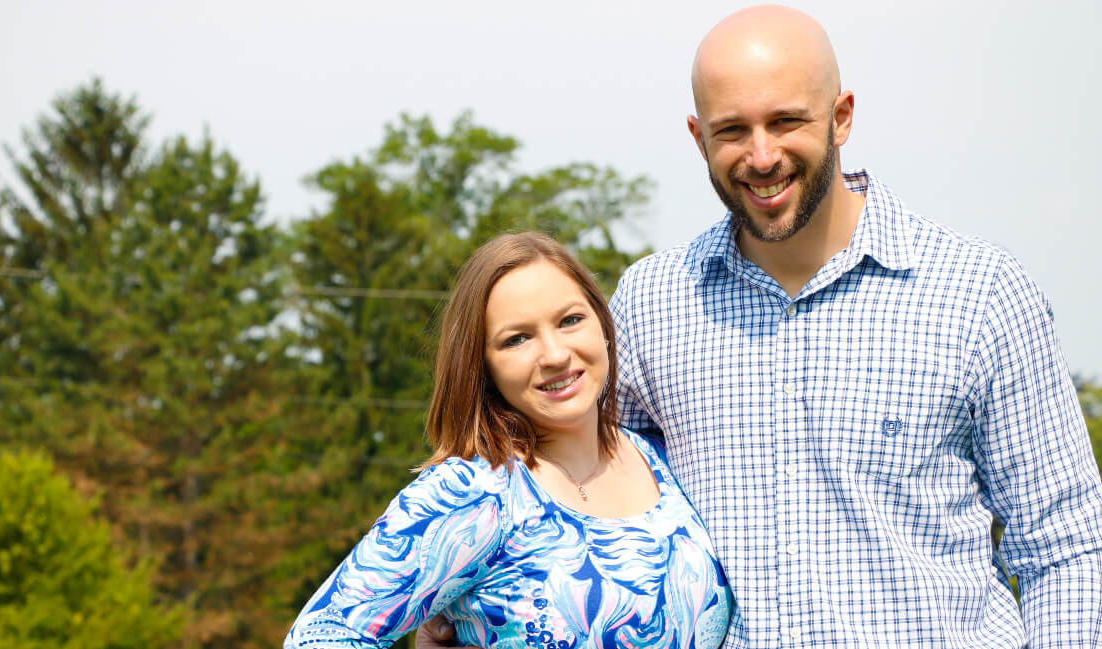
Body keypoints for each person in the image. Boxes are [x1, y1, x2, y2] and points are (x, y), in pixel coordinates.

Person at [421, 5, 1102, 648]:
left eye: (787, 121)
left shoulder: (980, 294)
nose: (762, 154)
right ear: (698, 136)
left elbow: (1066, 543)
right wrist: (466, 597)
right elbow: (568, 483)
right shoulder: (651, 303)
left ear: (841, 117)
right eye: (732, 130)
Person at [283, 232, 732, 648]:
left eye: (570, 320)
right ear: (483, 366)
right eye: (516, 339)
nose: (555, 355)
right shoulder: (471, 492)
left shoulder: (660, 457)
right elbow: (322, 635)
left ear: (603, 325)